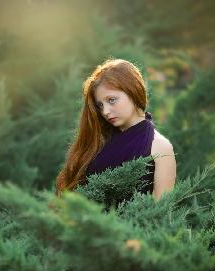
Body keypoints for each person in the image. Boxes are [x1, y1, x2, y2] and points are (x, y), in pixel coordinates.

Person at [56, 58, 176, 201]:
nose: (105, 111)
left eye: (111, 100)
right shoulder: (98, 139)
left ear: (132, 90)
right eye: (100, 105)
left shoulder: (160, 147)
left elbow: (159, 212)